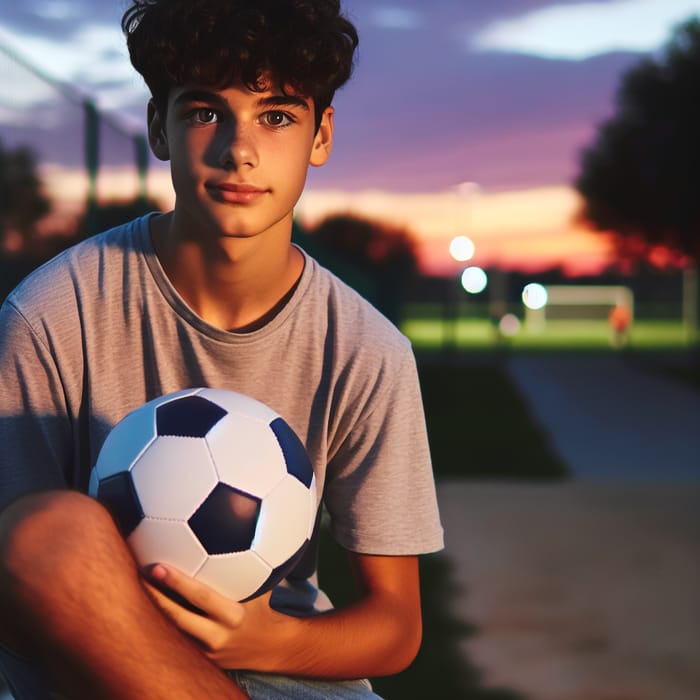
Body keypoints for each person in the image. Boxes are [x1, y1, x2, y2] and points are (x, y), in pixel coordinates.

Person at [0, 1, 444, 698]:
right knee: (49, 530)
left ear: (321, 134)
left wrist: (270, 639)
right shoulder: (53, 314)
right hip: (89, 666)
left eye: (277, 115)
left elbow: (397, 626)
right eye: (206, 111)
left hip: (281, 673)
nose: (239, 149)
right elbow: (23, 575)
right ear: (160, 128)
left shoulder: (366, 351)